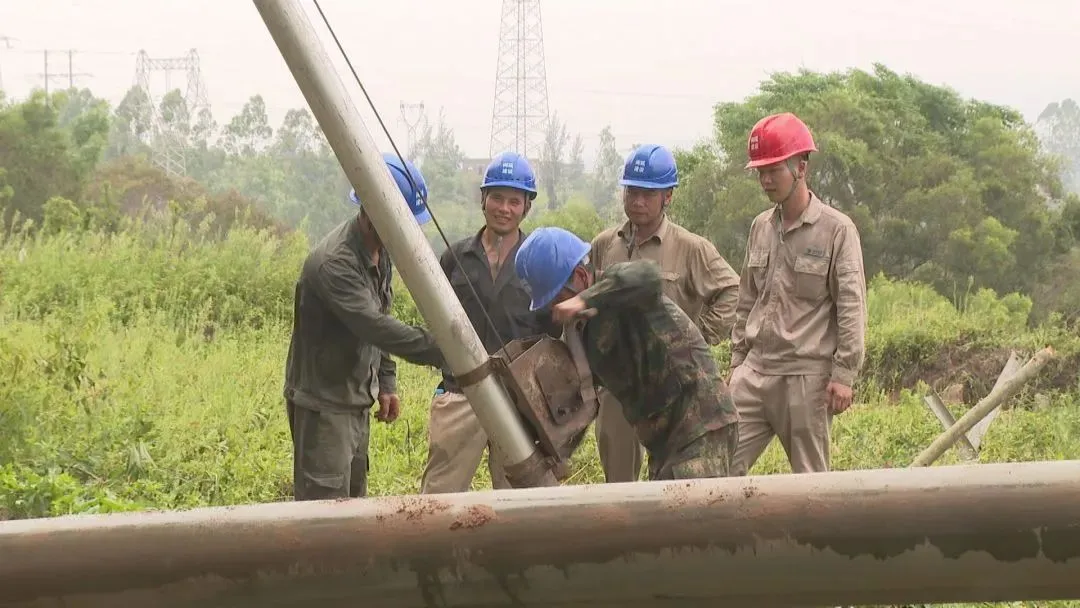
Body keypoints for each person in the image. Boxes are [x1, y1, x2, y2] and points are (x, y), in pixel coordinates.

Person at [514, 226, 740, 481]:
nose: (556, 309)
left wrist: (584, 300)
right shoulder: (581, 333)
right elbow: (586, 400)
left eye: (557, 299)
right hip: (664, 441)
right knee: (669, 514)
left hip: (702, 426)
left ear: (580, 276)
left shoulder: (620, 289)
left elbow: (647, 275)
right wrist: (561, 453)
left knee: (691, 516)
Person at [283, 152, 447, 501]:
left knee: (354, 505)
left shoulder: (380, 250)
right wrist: (445, 347)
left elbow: (378, 313)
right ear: (374, 212)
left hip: (355, 401)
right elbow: (374, 326)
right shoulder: (335, 263)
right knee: (324, 515)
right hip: (325, 407)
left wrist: (385, 380)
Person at [589, 143, 741, 483]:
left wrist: (699, 334)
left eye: (649, 194)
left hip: (676, 392)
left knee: (675, 481)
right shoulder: (604, 245)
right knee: (618, 481)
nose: (638, 202)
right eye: (632, 192)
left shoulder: (691, 248)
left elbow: (733, 291)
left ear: (667, 196)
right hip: (621, 389)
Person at [728, 112, 868, 475]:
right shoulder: (761, 227)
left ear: (801, 167)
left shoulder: (837, 230)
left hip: (806, 379)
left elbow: (852, 307)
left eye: (774, 169)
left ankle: (818, 536)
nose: (766, 179)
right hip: (754, 373)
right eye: (761, 171)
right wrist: (736, 364)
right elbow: (747, 301)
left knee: (812, 489)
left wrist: (844, 375)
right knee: (718, 470)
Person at [419, 151, 561, 494]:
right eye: (497, 197)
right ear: (483, 199)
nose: (504, 208)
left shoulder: (540, 263)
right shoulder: (454, 258)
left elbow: (555, 334)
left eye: (515, 201)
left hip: (519, 400)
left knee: (521, 505)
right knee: (440, 497)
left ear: (526, 207)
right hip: (460, 393)